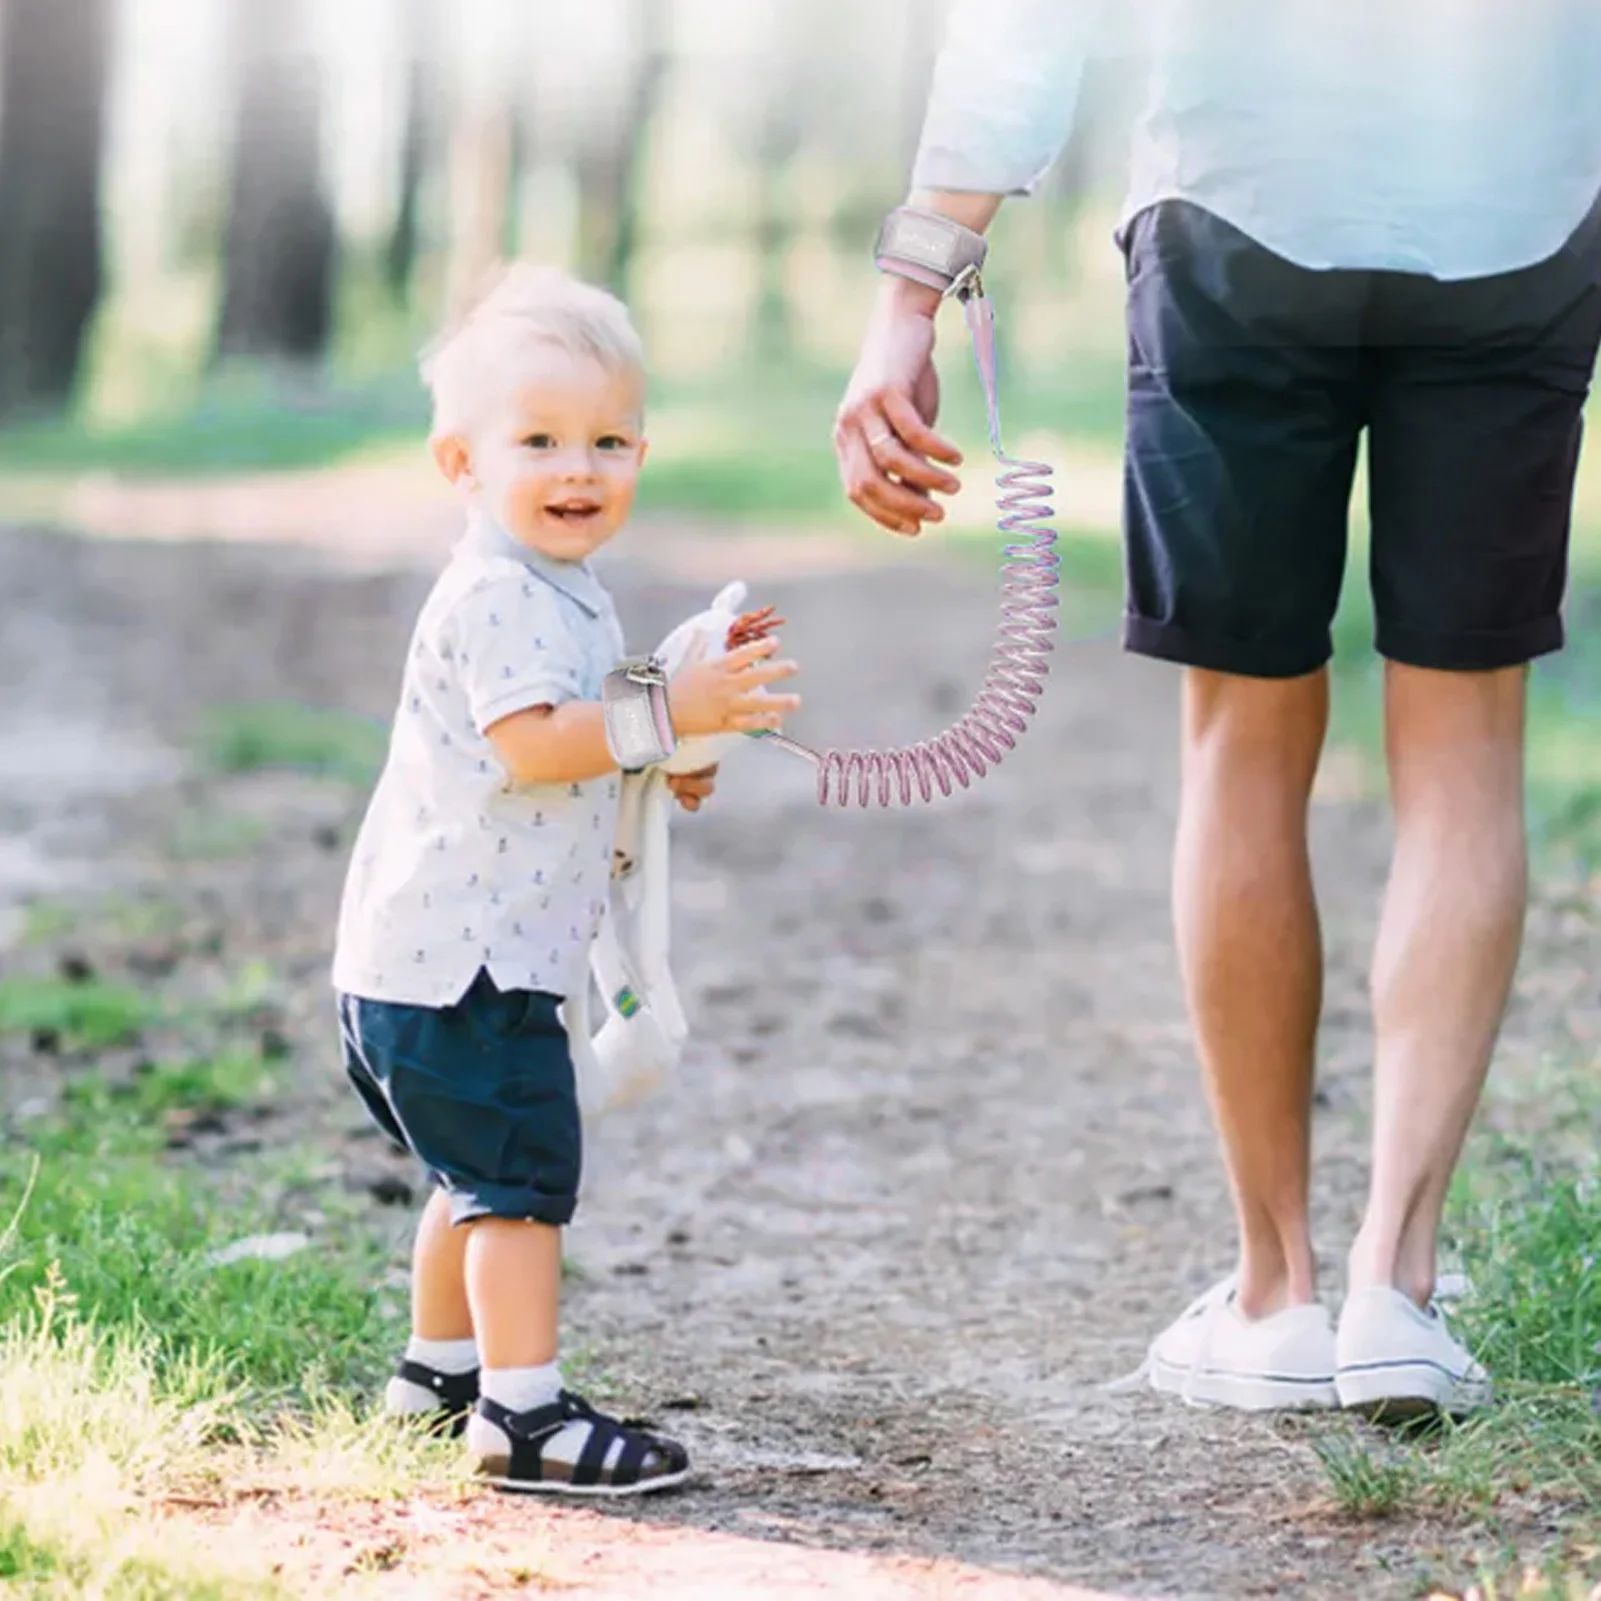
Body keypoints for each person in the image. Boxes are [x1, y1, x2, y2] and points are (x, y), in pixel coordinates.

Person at [835, 0, 1601, 1415]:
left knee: (1244, 740)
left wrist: (914, 284)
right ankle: (1397, 1284)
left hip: (1238, 213)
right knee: (1466, 744)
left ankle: (1277, 1290)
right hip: (1514, 221)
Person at [331, 263, 801, 1491]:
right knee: (521, 1190)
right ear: (461, 463)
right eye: (537, 439)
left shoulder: (556, 587)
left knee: (471, 1177)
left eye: (607, 440)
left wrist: (666, 752)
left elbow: (581, 746)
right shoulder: (499, 596)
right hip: (467, 967)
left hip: (422, 963)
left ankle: (437, 1375)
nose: (577, 469)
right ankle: (522, 1412)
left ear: (643, 449)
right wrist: (655, 716)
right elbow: (534, 742)